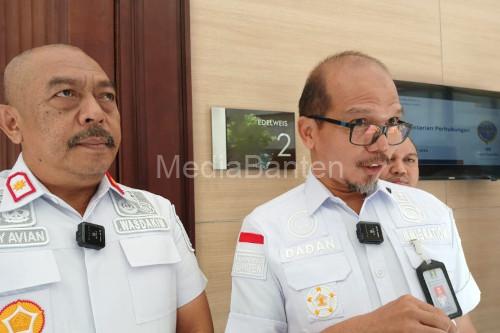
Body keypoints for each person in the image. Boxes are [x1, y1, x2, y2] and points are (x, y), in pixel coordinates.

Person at [226, 51, 480, 333]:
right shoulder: (265, 229)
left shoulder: (433, 212)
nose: (383, 145)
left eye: (392, 123)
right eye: (361, 124)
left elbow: (463, 322)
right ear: (309, 132)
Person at [0, 44, 213, 333]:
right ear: (12, 123)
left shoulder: (157, 212)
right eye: (66, 94)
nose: (95, 113)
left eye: (106, 97)